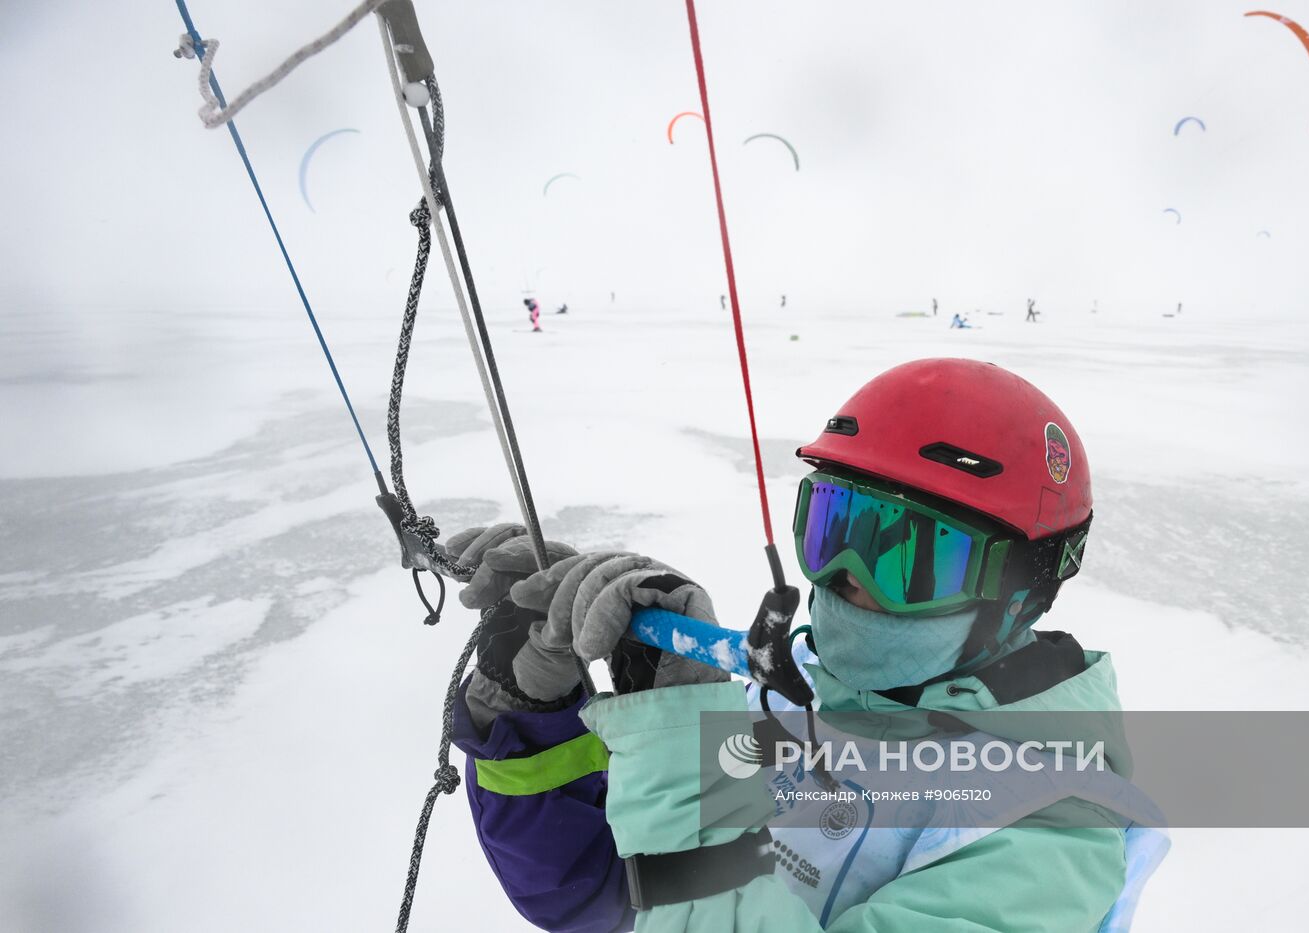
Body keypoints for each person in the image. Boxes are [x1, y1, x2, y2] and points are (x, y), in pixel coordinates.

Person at [445, 359, 1163, 932]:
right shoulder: (798, 687)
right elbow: (594, 899)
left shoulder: (1050, 831)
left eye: (908, 560)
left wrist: (685, 777)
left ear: (1018, 592)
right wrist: (533, 717)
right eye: (834, 531)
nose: (849, 584)